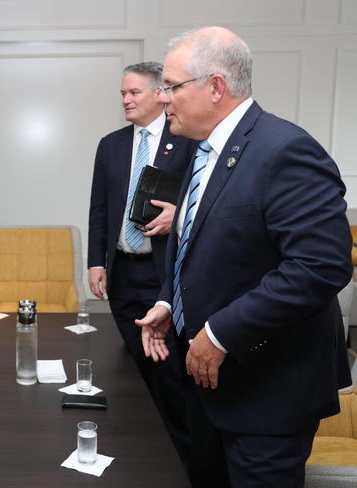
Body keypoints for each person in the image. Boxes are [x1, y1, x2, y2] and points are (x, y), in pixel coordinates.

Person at [137, 27, 353, 487]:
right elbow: (200, 243)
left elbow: (321, 265)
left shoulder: (284, 149)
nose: (163, 98)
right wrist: (168, 302)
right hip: (211, 385)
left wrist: (220, 333)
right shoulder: (201, 149)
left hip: (268, 391)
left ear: (215, 87)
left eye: (171, 86)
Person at [87, 62, 197, 463]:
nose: (126, 100)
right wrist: (95, 261)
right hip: (122, 271)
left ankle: (177, 457)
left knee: (168, 374)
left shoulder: (187, 140)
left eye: (133, 93)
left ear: (159, 94)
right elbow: (99, 207)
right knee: (132, 370)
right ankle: (137, 451)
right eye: (122, 94)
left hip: (165, 276)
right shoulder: (111, 144)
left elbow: (204, 199)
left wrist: (178, 213)